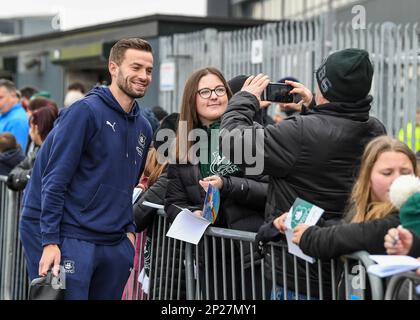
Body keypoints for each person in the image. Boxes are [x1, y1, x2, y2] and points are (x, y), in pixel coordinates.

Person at [220, 48, 387, 299]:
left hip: (298, 275)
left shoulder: (299, 132)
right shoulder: (375, 130)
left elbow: (233, 142)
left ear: (325, 88)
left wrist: (244, 98)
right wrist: (315, 107)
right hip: (347, 271)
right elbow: (330, 134)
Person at [35, 38, 154, 300]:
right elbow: (55, 180)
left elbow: (127, 185)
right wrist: (50, 241)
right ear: (113, 67)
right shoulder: (84, 112)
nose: (143, 76)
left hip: (116, 248)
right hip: (75, 242)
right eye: (136, 67)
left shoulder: (144, 127)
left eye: (148, 70)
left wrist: (128, 234)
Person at [164, 67, 269, 299]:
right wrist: (192, 213)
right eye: (205, 91)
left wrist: (228, 184)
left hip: (252, 252)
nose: (214, 96)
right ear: (192, 99)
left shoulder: (251, 134)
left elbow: (270, 191)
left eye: (220, 89)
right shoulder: (183, 146)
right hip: (210, 254)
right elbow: (172, 202)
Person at [288, 136, 417, 259]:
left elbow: (360, 234)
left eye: (405, 173)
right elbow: (347, 228)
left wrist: (309, 237)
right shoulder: (362, 211)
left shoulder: (411, 215)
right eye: (387, 173)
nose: (397, 179)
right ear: (368, 178)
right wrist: (302, 221)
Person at [7, 106, 58, 191]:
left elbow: (40, 175)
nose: (29, 131)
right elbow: (15, 172)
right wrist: (30, 174)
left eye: (30, 127)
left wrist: (29, 175)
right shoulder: (36, 151)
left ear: (36, 128)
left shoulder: (52, 152)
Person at [0, 79, 30, 150]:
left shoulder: (17, 121)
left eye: (0, 97)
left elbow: (15, 156)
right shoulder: (5, 114)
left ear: (13, 95)